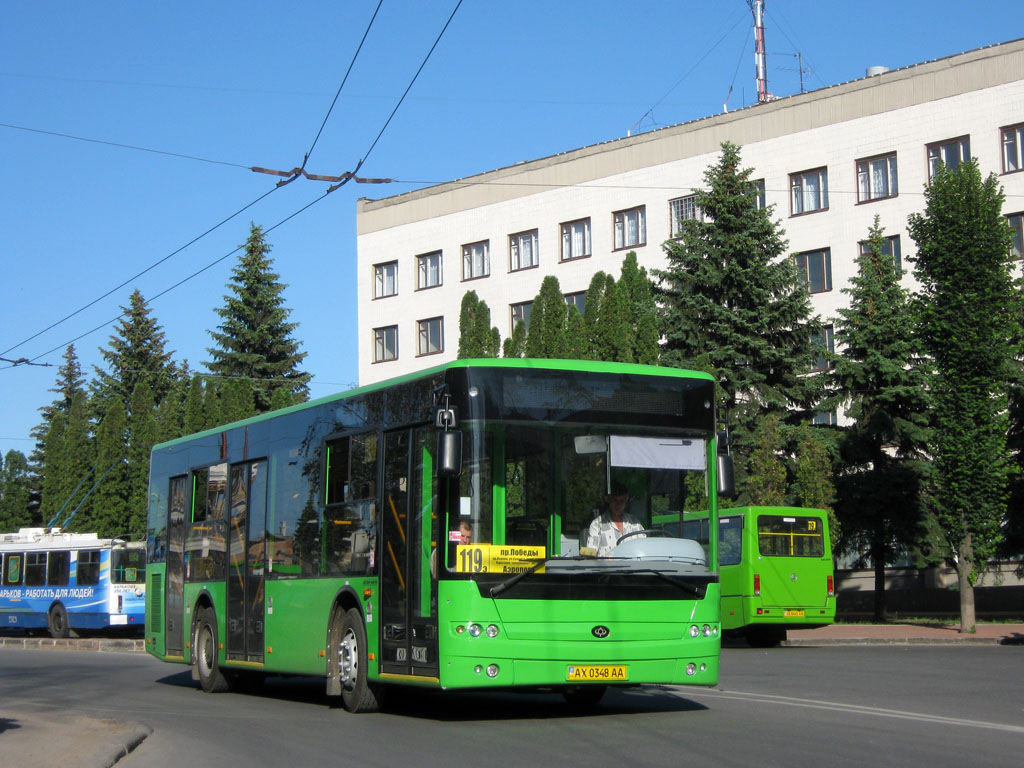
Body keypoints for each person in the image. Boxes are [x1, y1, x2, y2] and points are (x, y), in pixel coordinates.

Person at [585, 482, 645, 556]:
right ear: (608, 500)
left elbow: (644, 547)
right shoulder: (597, 524)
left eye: (622, 501)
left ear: (626, 501)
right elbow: (590, 554)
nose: (618, 505)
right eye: (615, 500)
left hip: (633, 566)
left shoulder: (634, 523)